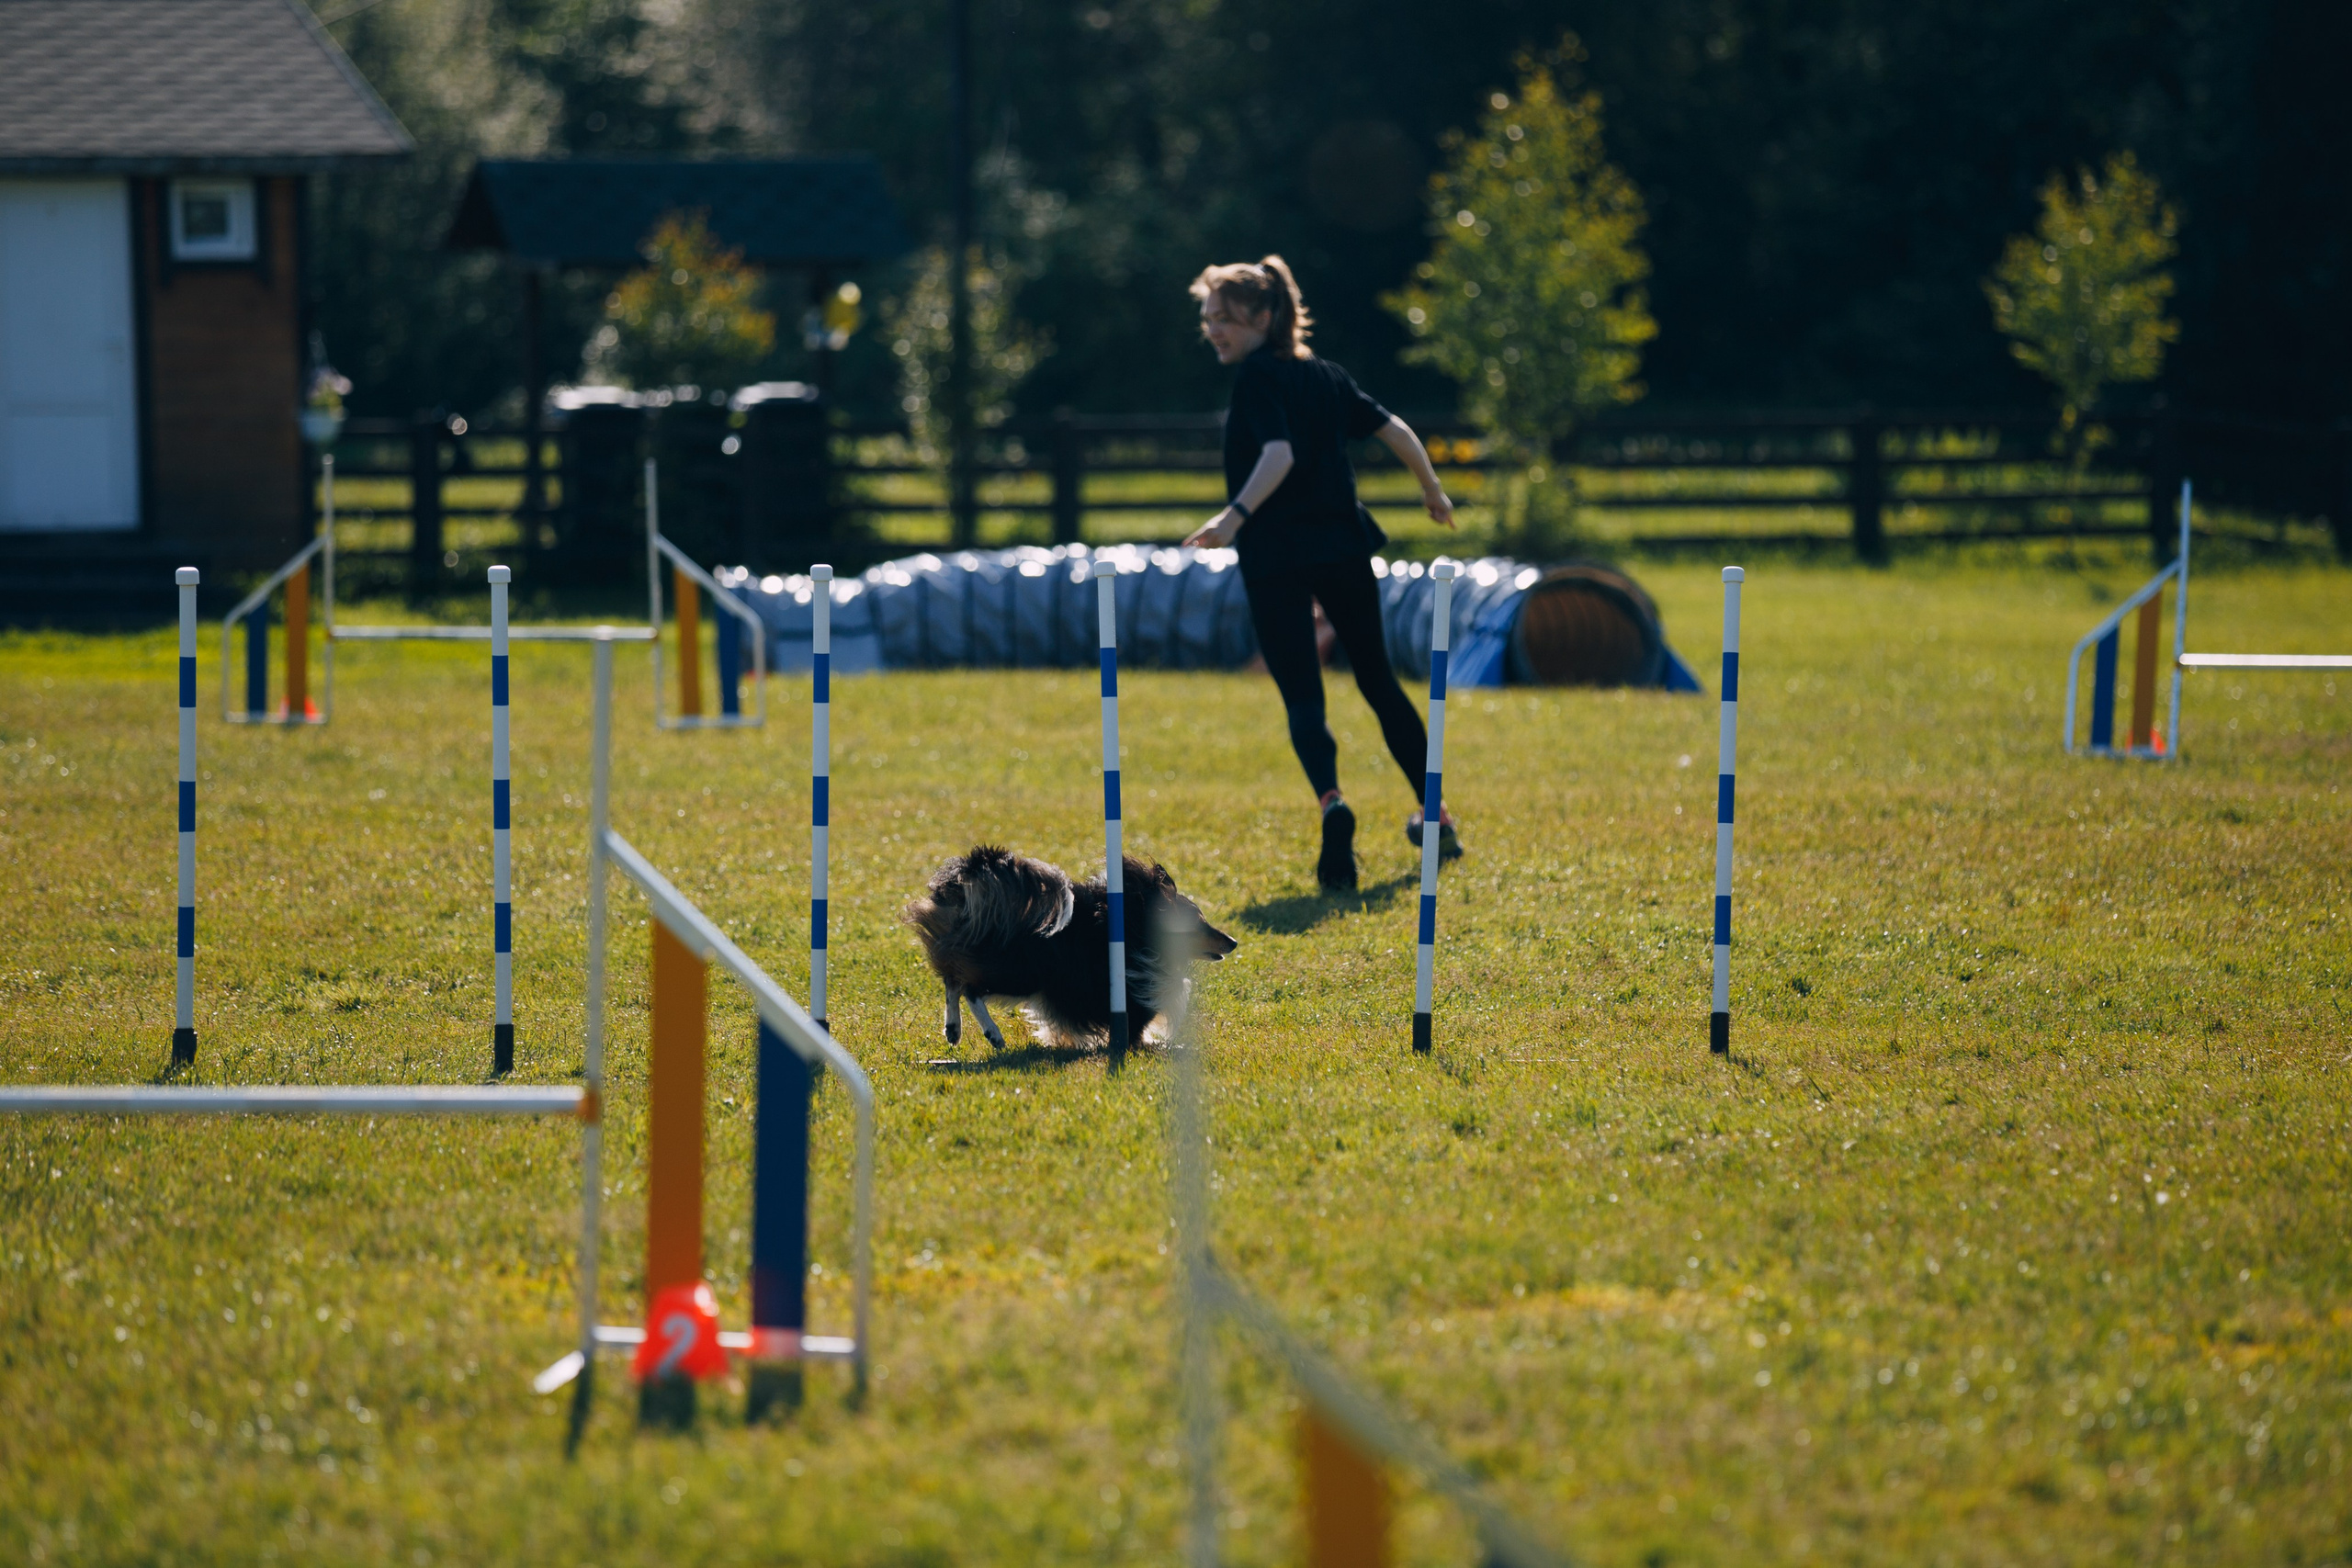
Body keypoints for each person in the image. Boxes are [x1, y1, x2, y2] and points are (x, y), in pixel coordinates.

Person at [1181, 256, 1461, 892]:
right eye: (1207, 320)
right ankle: (1436, 812)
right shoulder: (1328, 376)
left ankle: (1333, 801)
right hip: (1341, 544)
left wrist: (1234, 515)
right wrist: (1432, 489)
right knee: (1378, 680)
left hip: (1274, 554)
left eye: (1223, 319)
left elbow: (1278, 453)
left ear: (1263, 316)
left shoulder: (1256, 378)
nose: (1212, 331)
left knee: (1303, 695)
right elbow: (1395, 430)